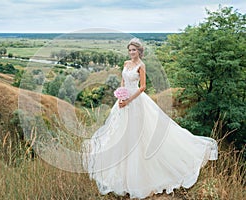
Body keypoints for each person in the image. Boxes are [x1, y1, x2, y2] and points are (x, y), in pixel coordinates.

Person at [82, 38, 218, 199]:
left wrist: (129, 100)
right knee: (119, 133)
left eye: (134, 50)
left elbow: (143, 87)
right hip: (122, 101)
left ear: (139, 51)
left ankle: (140, 176)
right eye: (130, 50)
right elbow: (123, 81)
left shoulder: (141, 66)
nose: (132, 52)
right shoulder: (126, 64)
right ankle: (121, 174)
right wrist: (120, 96)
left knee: (138, 134)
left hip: (136, 101)